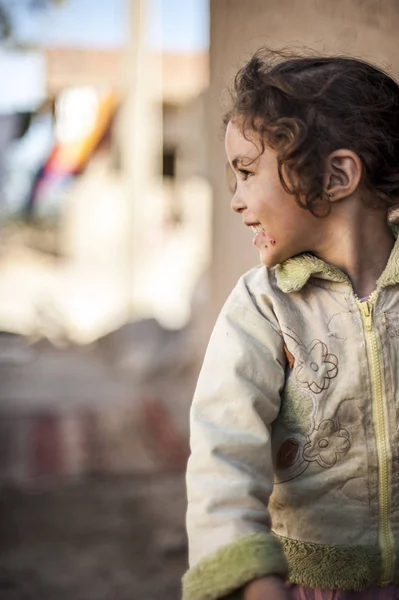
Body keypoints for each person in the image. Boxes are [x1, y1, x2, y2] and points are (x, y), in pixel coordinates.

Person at [182, 49, 399, 600]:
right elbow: (222, 454)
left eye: (247, 172)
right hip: (308, 585)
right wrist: (253, 581)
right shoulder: (265, 306)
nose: (235, 201)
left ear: (336, 176)